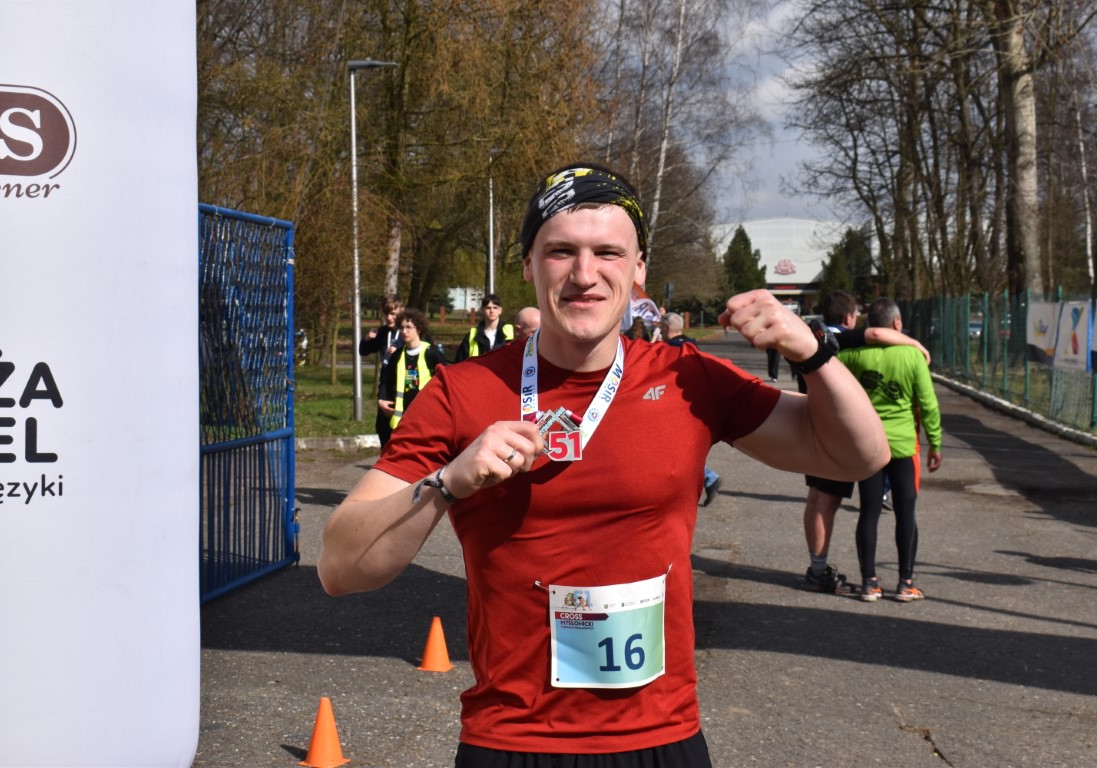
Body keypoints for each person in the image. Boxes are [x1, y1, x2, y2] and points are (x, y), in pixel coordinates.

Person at [318, 163, 888, 767]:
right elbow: (338, 568)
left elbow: (859, 454)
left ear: (639, 268)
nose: (584, 274)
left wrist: (814, 354)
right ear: (529, 265)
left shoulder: (688, 378)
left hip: (660, 737)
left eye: (608, 252)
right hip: (513, 740)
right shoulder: (462, 391)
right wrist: (447, 483)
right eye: (561, 251)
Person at [798, 290, 932, 594]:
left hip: (813, 422)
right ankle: (820, 572)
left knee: (817, 498)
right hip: (839, 433)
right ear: (848, 317)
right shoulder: (841, 342)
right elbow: (875, 333)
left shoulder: (814, 336)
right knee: (829, 501)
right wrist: (915, 344)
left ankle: (826, 569)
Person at [838, 298, 942, 602]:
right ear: (897, 323)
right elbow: (928, 404)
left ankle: (869, 582)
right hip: (903, 446)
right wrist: (935, 443)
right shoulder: (912, 356)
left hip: (868, 445)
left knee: (869, 511)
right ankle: (905, 582)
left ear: (870, 325)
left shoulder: (852, 355)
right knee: (905, 511)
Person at [660, 311, 721, 506]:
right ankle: (708, 477)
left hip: (673, 404)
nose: (660, 331)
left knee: (670, 447)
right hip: (692, 402)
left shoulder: (670, 349)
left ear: (668, 328)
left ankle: (707, 477)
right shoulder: (692, 345)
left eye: (661, 327)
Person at [376, 308, 447, 432]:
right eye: (402, 327)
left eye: (408, 327)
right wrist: (382, 399)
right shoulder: (397, 355)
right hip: (402, 422)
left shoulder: (431, 353)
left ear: (418, 329)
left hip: (427, 419)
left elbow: (447, 380)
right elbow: (387, 380)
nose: (404, 331)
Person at [360, 294, 404, 446]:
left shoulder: (408, 331)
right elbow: (363, 351)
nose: (389, 318)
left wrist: (399, 351)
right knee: (383, 428)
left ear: (402, 310)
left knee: (402, 429)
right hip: (385, 386)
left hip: (404, 387)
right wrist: (367, 339)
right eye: (386, 314)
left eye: (393, 313)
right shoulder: (382, 332)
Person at [454, 293, 513, 361]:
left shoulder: (512, 333)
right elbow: (460, 362)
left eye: (495, 308)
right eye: (488, 308)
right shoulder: (472, 336)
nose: (492, 311)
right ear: (482, 310)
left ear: (500, 310)